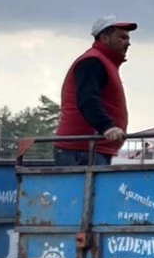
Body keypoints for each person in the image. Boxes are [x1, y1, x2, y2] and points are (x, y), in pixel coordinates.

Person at [53, 16, 137, 166]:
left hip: (90, 147)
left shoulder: (102, 62)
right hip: (82, 149)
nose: (128, 43)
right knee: (85, 189)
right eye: (122, 37)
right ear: (104, 38)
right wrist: (107, 127)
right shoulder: (93, 62)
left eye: (128, 38)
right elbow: (87, 99)